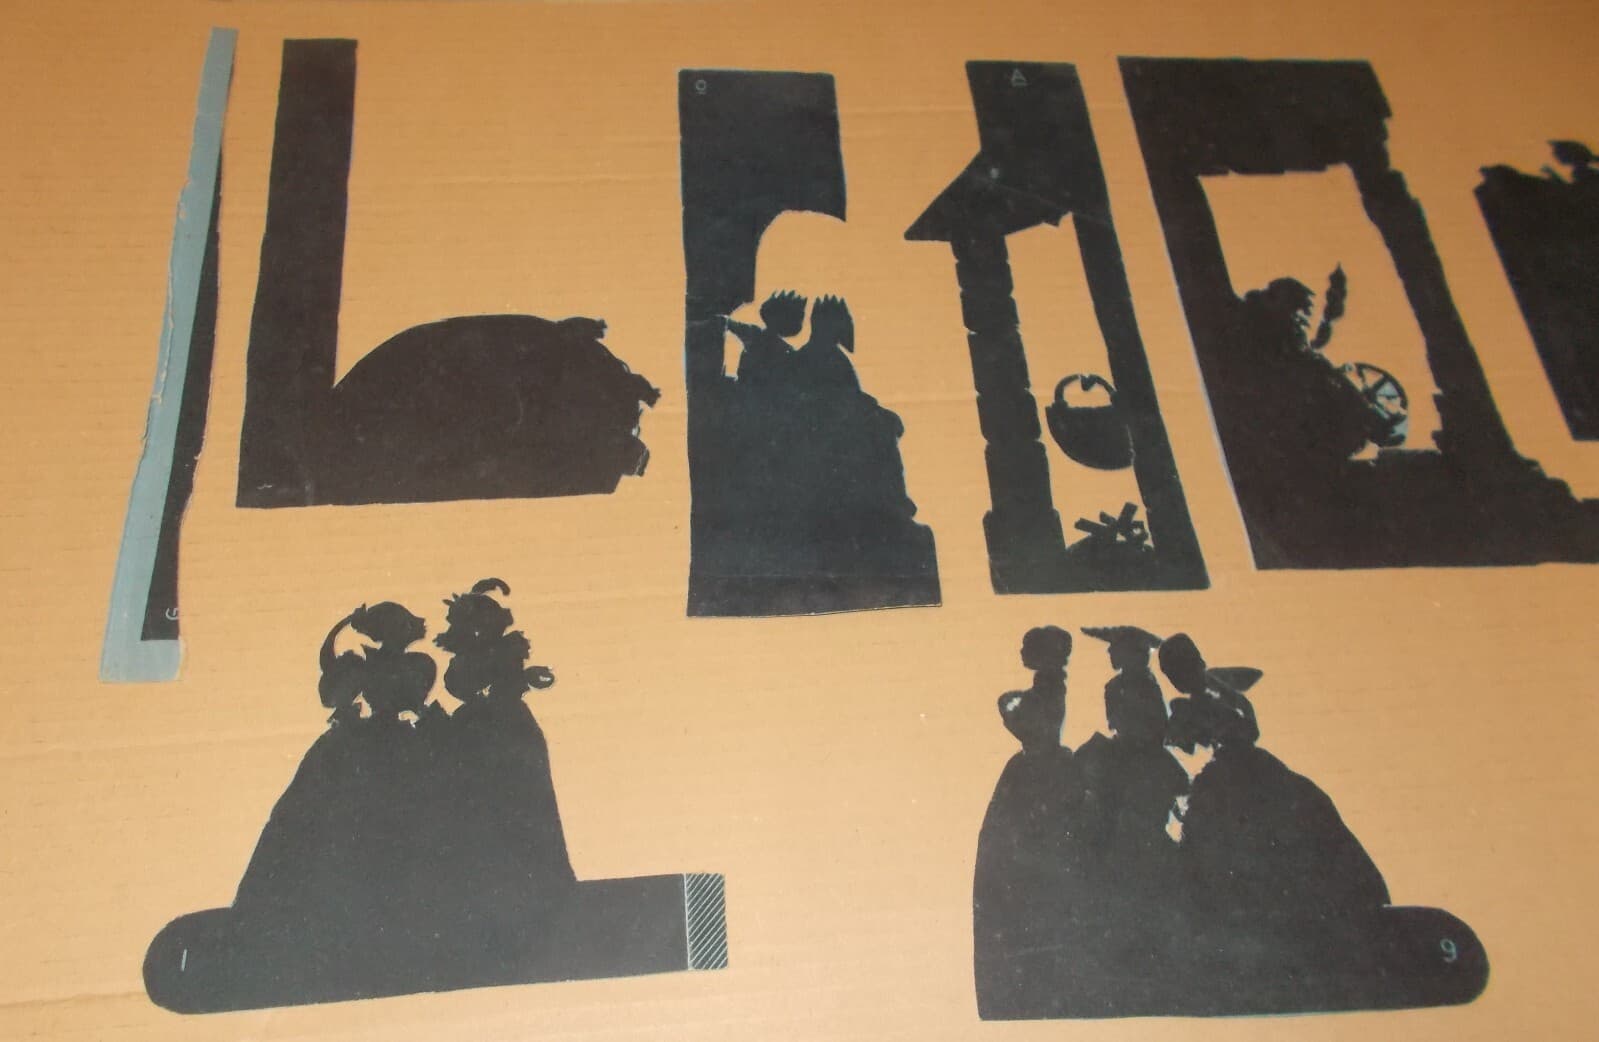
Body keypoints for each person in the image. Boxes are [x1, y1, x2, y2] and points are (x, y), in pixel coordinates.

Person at [318, 602, 438, 726]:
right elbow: (329, 668)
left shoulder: (419, 663)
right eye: (401, 626)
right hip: (379, 726)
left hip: (389, 727)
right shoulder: (370, 665)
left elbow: (416, 705)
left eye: (405, 626)